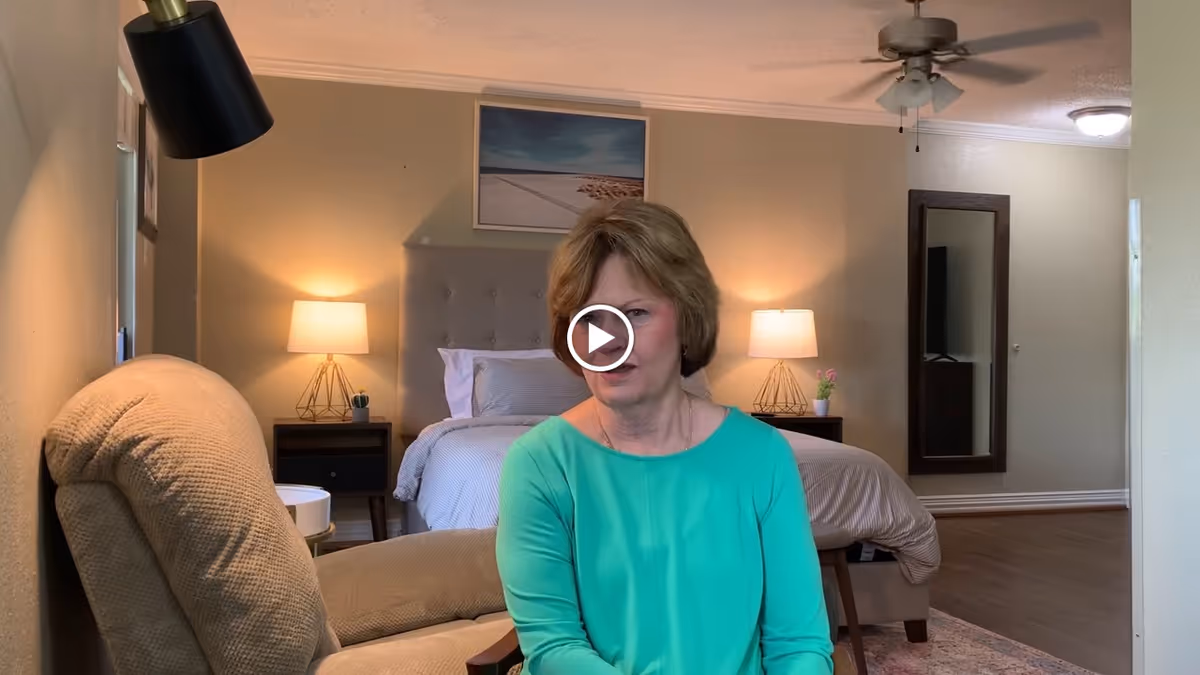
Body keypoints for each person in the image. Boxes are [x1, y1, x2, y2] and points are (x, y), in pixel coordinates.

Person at [495, 199, 834, 674]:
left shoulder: (762, 455)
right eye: (589, 318)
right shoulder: (539, 463)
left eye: (634, 313)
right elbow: (553, 648)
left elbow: (799, 644)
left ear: (687, 320)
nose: (609, 341)